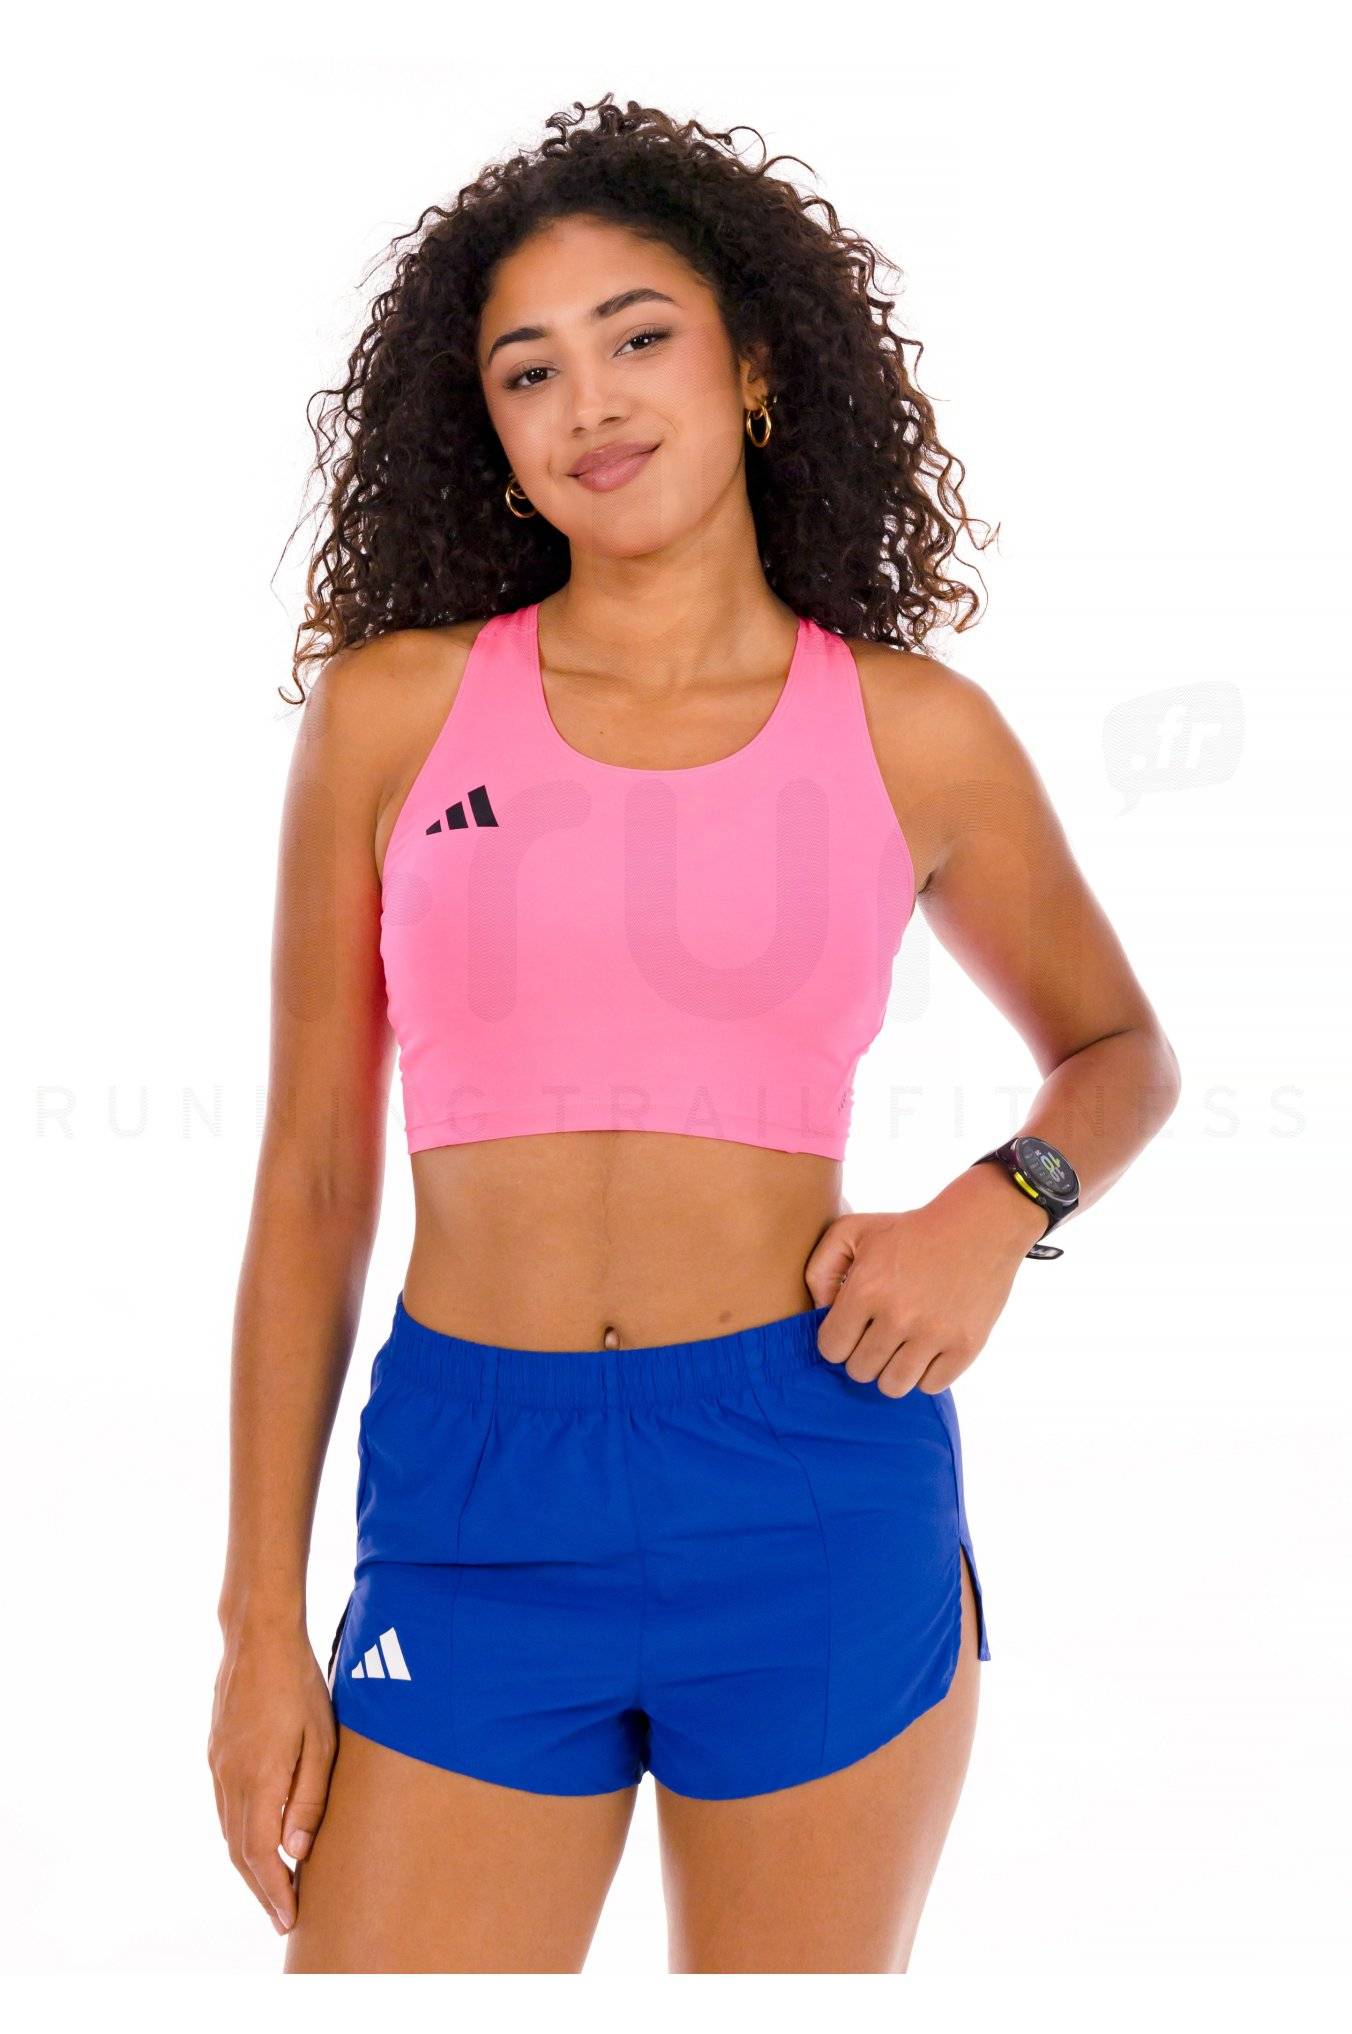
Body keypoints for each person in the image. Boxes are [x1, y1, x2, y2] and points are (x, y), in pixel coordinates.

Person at [208, 94, 1181, 1973]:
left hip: (808, 1470)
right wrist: (259, 1622)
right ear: (491, 436)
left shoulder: (913, 729)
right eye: (529, 370)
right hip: (473, 1492)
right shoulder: (393, 716)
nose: (590, 400)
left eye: (638, 335)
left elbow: (1121, 1043)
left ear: (752, 366)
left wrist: (1003, 1204)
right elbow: (315, 1174)